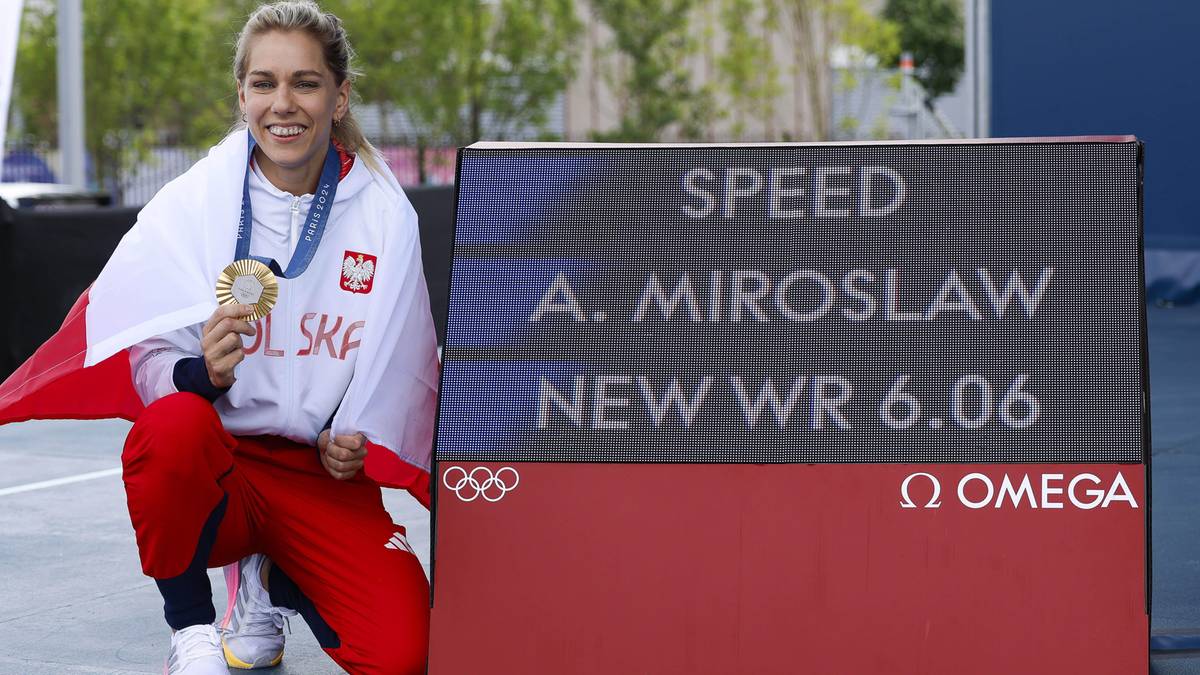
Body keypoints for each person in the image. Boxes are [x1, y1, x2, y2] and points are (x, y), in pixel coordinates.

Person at [0, 2, 437, 673]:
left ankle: (270, 579)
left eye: (305, 82)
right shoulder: (194, 200)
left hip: (319, 475)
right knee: (170, 425)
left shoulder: (384, 213)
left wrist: (354, 434)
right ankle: (193, 627)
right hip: (222, 463)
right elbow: (147, 354)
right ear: (242, 96)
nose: (282, 104)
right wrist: (200, 373)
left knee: (406, 654)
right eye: (264, 83)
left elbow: (402, 363)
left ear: (340, 94)